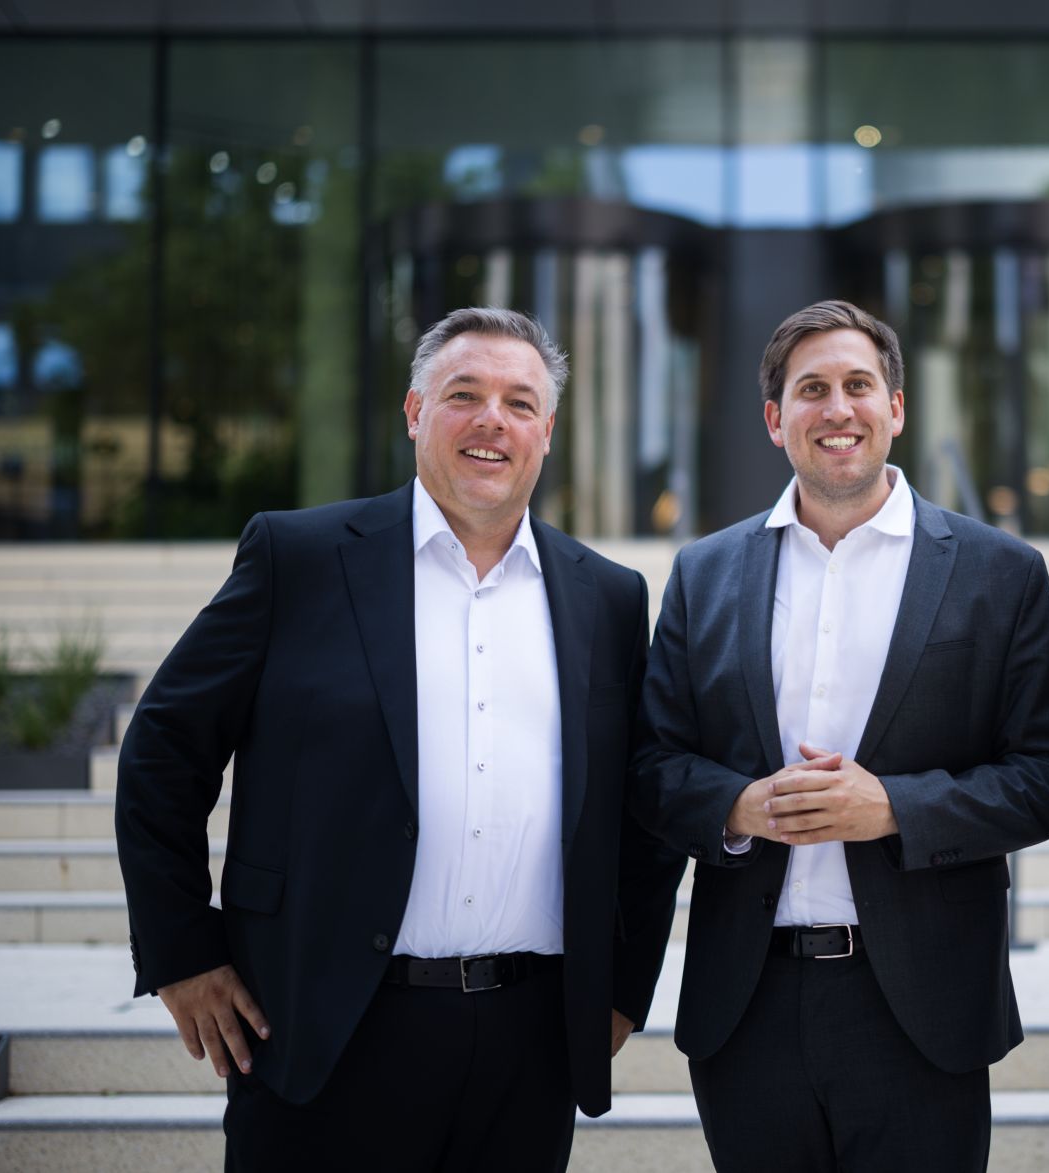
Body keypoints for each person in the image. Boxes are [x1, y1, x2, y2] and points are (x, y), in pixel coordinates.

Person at [115, 307, 684, 1172]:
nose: (493, 419)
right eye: (466, 394)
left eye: (519, 402)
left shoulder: (607, 596)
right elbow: (163, 748)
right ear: (416, 412)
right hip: (327, 1026)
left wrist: (622, 989)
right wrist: (182, 951)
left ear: (548, 431)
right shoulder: (298, 557)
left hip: (527, 1041)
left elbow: (640, 811)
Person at [631, 299, 1049, 1171]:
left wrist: (896, 809)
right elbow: (650, 763)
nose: (837, 409)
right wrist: (737, 806)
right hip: (747, 1004)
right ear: (775, 419)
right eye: (811, 390)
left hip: (921, 1007)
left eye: (858, 385)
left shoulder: (1000, 573)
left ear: (897, 407)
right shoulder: (703, 572)